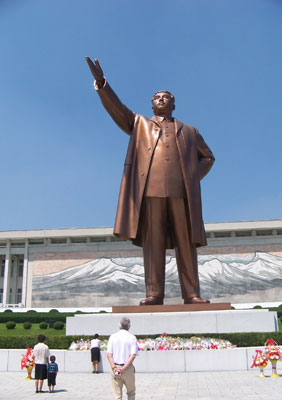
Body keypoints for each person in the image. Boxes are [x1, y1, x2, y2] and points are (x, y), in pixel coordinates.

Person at [86, 57, 215, 305]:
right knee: (152, 244)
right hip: (150, 191)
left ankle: (192, 294)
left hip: (181, 193)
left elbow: (207, 158)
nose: (160, 99)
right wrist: (102, 84)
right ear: (152, 104)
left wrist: (191, 177)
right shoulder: (139, 124)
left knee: (186, 244)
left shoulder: (190, 131)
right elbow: (119, 109)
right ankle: (154, 294)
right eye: (156, 97)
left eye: (166, 97)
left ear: (173, 104)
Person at [107, 318, 138, 400]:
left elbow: (109, 355)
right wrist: (124, 368)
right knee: (131, 393)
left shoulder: (113, 337)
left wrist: (114, 367)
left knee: (117, 396)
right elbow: (133, 355)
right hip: (128, 369)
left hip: (115, 368)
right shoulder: (132, 337)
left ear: (119, 325)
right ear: (129, 326)